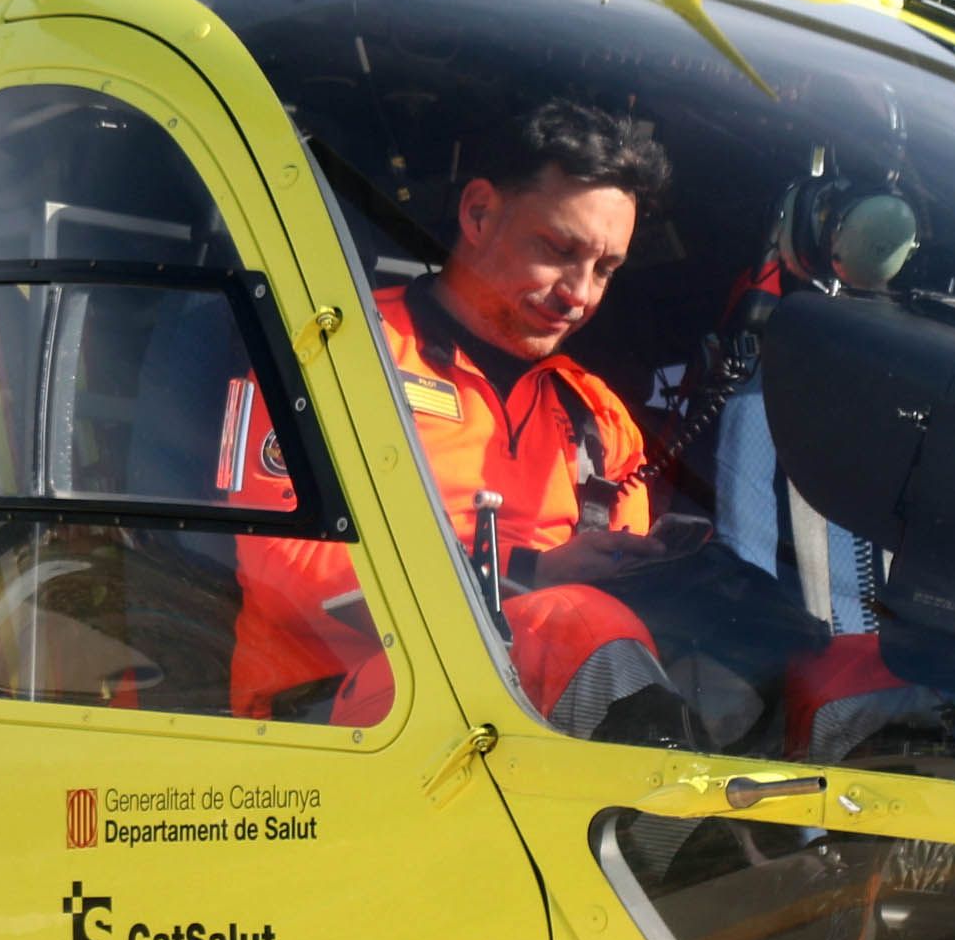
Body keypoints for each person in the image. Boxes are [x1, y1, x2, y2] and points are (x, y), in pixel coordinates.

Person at [229, 100, 674, 729]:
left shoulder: (597, 413)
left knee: (832, 673)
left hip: (542, 711)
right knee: (584, 625)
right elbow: (286, 573)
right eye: (557, 249)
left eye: (604, 269)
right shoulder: (335, 352)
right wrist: (529, 573)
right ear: (479, 213)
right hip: (334, 718)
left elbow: (631, 595)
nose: (579, 294)